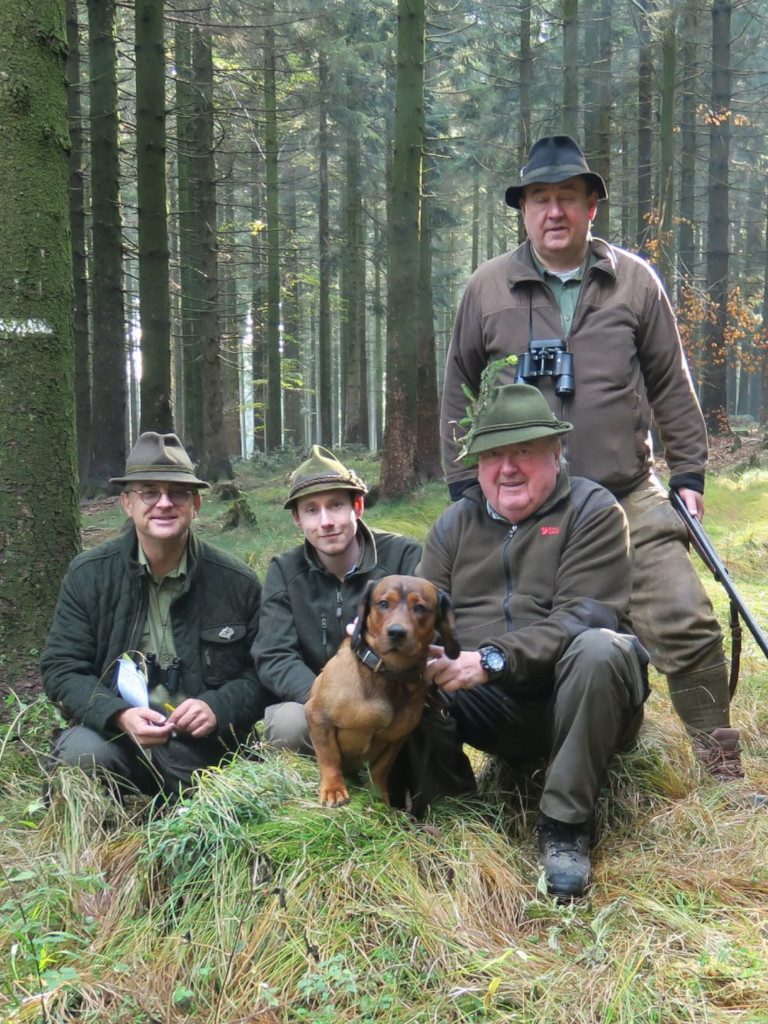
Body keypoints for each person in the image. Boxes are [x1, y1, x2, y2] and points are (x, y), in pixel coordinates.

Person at [439, 134, 742, 780]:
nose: (554, 213)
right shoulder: (488, 289)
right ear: (523, 209)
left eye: (568, 198)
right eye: (540, 199)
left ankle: (721, 771)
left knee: (687, 619)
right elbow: (457, 389)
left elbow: (670, 384)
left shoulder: (635, 282)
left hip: (627, 493)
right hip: (518, 503)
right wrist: (468, 488)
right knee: (509, 632)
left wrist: (688, 474)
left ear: (592, 206)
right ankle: (512, 762)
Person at [422, 382, 648, 898]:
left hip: (580, 703)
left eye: (524, 451)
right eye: (494, 454)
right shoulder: (452, 526)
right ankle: (456, 810)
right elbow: (426, 612)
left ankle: (564, 828)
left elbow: (586, 614)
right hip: (489, 708)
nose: (507, 468)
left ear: (555, 452)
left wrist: (494, 658)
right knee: (412, 672)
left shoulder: (593, 510)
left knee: (600, 647)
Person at [42, 432, 264, 799]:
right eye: (149, 492)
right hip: (115, 739)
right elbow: (62, 668)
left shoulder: (235, 581)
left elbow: (262, 673)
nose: (164, 503)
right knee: (81, 756)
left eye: (177, 492)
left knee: (231, 793)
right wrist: (117, 715)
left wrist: (217, 707)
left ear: (196, 504)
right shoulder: (89, 575)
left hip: (204, 744)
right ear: (127, 503)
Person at [251, 445, 421, 754]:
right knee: (286, 724)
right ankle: (322, 787)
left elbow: (424, 636)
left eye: (336, 505)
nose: (326, 521)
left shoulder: (402, 557)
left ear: (357, 506)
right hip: (317, 699)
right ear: (297, 519)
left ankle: (422, 795)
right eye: (312, 510)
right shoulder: (284, 571)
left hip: (392, 696)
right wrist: (330, 697)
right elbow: (274, 655)